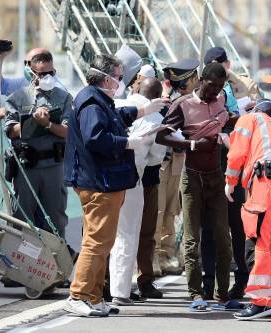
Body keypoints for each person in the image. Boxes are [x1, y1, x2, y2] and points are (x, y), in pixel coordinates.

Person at [63, 54, 164, 317]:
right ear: (107, 78)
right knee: (97, 241)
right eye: (119, 77)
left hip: (104, 180)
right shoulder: (91, 103)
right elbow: (95, 137)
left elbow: (117, 116)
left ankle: (94, 295)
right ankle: (79, 295)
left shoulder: (98, 100)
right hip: (97, 181)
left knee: (104, 241)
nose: (121, 82)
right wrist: (128, 143)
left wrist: (144, 110)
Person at [156, 62, 238, 312]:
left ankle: (222, 295)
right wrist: (191, 145)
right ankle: (195, 294)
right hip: (191, 177)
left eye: (220, 87)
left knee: (223, 238)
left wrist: (227, 131)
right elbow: (161, 135)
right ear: (201, 80)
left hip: (217, 176)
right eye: (212, 85)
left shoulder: (221, 100)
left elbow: (229, 121)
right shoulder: (182, 104)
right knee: (192, 239)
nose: (215, 91)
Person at [225, 99, 271, 320]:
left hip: (267, 181)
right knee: (270, 243)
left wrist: (230, 181)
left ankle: (261, 303)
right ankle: (268, 300)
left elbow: (237, 152)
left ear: (256, 110)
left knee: (259, 241)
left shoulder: (250, 118)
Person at [200, 46, 258, 299]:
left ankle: (241, 279)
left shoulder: (243, 87)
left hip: (234, 164)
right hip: (208, 167)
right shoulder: (197, 94)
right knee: (209, 227)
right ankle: (209, 282)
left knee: (236, 225)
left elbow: (250, 122)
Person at [108, 72, 167, 304]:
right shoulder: (156, 119)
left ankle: (98, 286)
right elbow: (155, 159)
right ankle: (120, 291)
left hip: (104, 177)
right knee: (127, 234)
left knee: (102, 234)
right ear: (158, 97)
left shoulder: (117, 104)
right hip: (133, 179)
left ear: (137, 89)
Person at [4, 51, 70, 239]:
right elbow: (9, 130)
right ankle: (20, 262)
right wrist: (31, 121)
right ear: (31, 73)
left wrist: (48, 124)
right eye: (41, 74)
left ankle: (55, 263)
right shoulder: (18, 97)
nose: (46, 78)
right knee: (23, 217)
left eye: (50, 73)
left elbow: (68, 131)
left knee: (55, 218)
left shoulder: (63, 97)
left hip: (54, 166)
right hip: (27, 167)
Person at [154, 59, 200, 276]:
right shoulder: (166, 102)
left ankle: (168, 253)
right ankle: (155, 256)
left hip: (177, 162)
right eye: (194, 78)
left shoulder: (189, 100)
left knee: (172, 210)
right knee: (158, 209)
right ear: (186, 80)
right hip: (163, 163)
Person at [0, 46, 66, 96]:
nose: (26, 66)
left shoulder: (60, 91)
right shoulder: (25, 82)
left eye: (28, 62)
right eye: (25, 63)